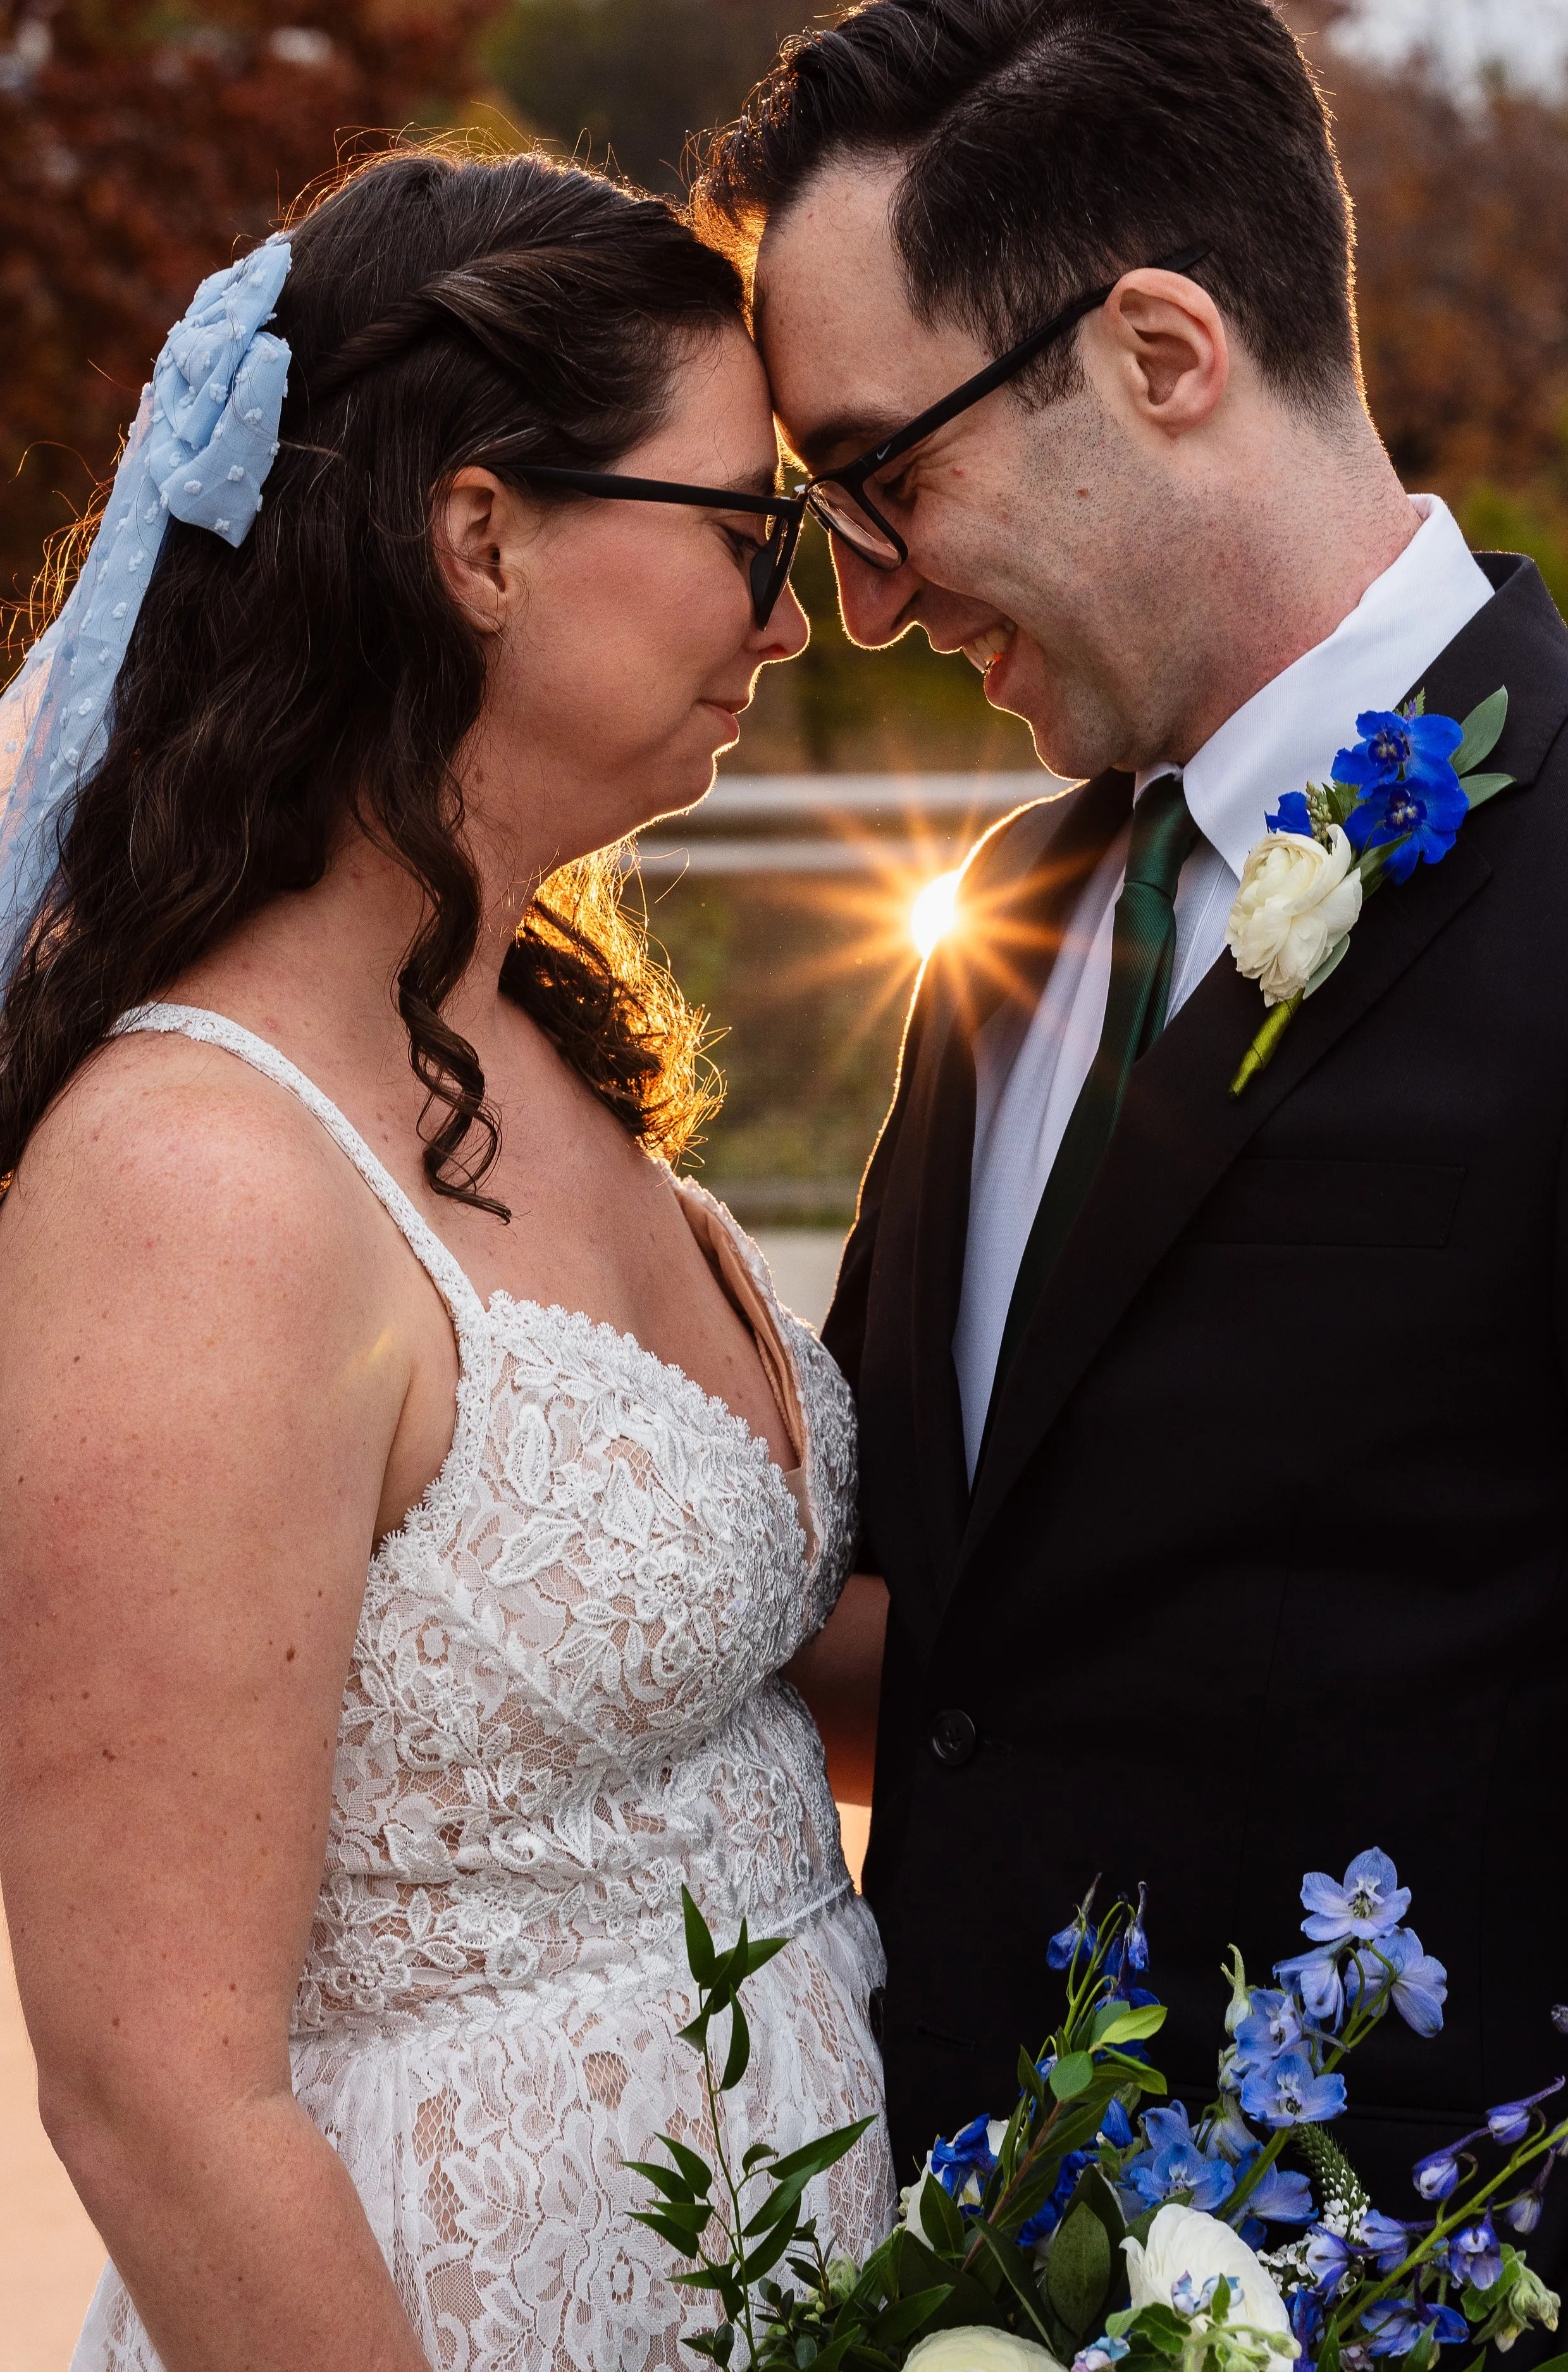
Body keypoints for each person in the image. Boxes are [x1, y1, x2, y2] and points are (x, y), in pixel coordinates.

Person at [696, 0, 1568, 2328]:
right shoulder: (994, 914)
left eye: (881, 472)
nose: (861, 595)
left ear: (1164, 348)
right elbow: (949, 1627)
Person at [0, 144, 893, 2372]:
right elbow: (154, 2089)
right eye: (745, 528)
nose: (789, 619)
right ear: (479, 533)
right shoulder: (201, 1176)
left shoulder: (532, 1039)